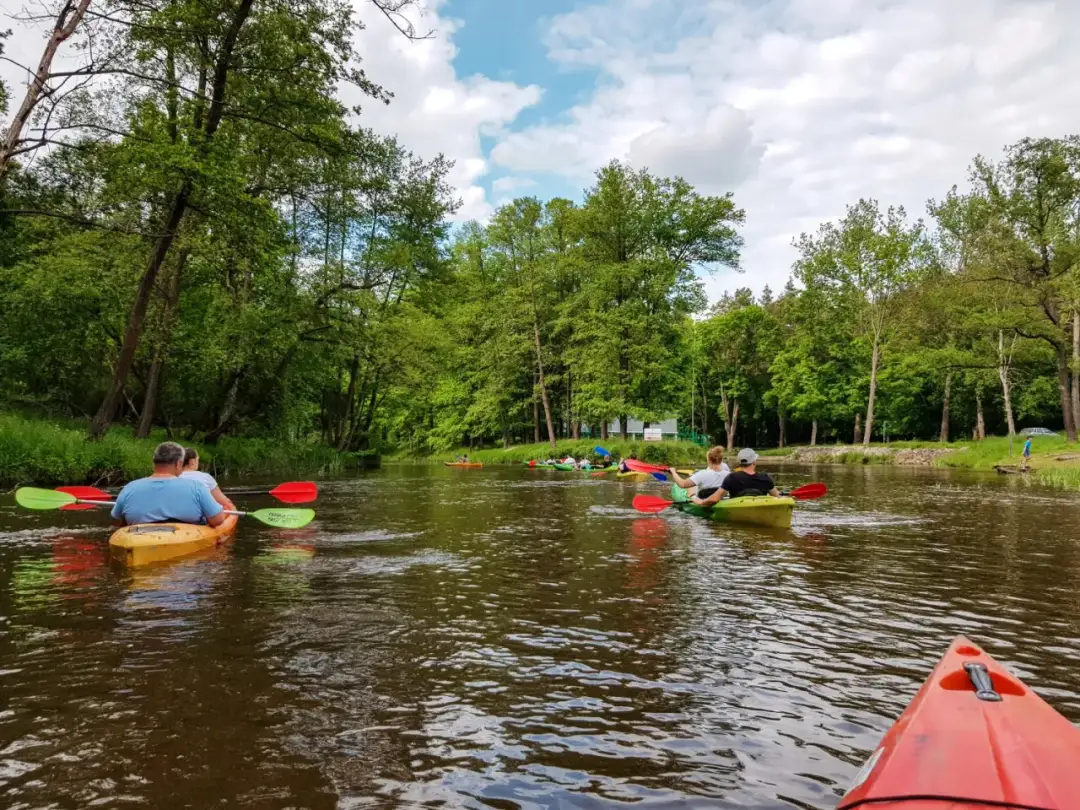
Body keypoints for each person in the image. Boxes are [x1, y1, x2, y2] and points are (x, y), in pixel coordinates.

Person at [111, 441, 227, 527]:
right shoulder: (197, 487)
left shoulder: (129, 488)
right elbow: (218, 520)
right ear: (178, 464)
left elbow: (118, 520)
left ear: (153, 462)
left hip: (138, 540)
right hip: (184, 541)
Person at [693, 448, 779, 506]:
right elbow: (777, 497)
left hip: (737, 508)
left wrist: (701, 502)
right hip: (760, 507)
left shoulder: (731, 478)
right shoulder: (765, 478)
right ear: (754, 462)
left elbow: (714, 499)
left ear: (739, 463)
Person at [181, 448, 236, 512]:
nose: (198, 463)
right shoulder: (205, 477)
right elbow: (224, 501)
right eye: (198, 460)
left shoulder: (173, 477)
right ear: (192, 461)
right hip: (201, 515)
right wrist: (231, 506)